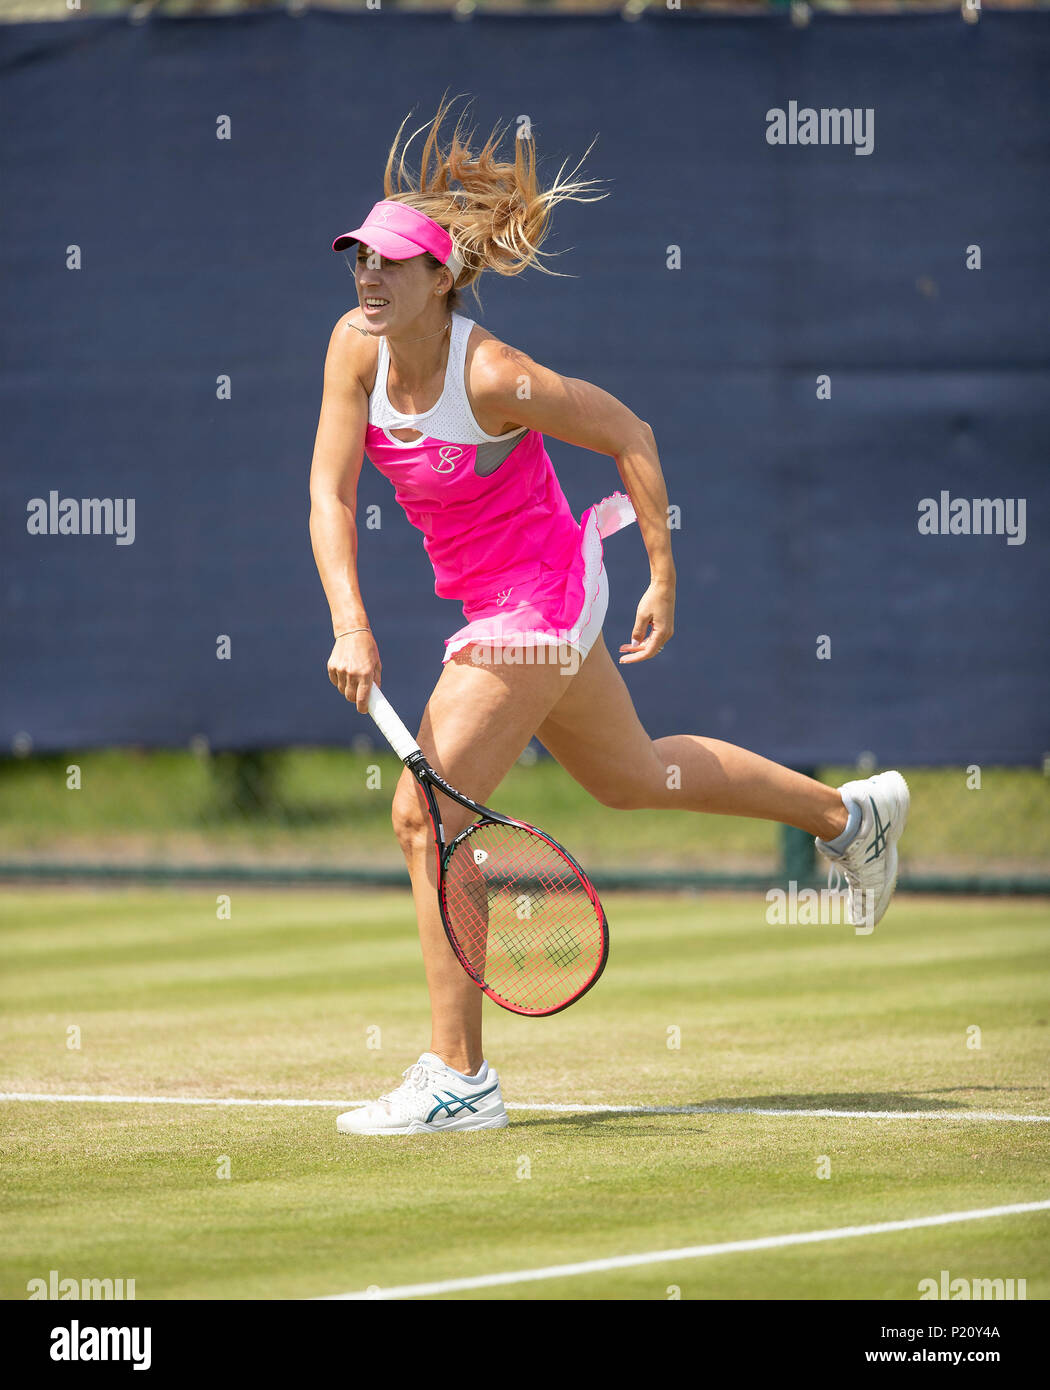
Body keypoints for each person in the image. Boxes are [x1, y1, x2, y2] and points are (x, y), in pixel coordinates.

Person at [308, 97, 909, 1136]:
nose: (368, 275)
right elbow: (327, 493)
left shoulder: (494, 375)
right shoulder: (354, 349)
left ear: (442, 277)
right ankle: (850, 818)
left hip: (541, 593)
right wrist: (350, 621)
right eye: (360, 256)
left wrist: (663, 577)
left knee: (428, 815)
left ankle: (461, 1078)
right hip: (498, 597)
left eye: (390, 261)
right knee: (633, 776)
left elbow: (629, 432)